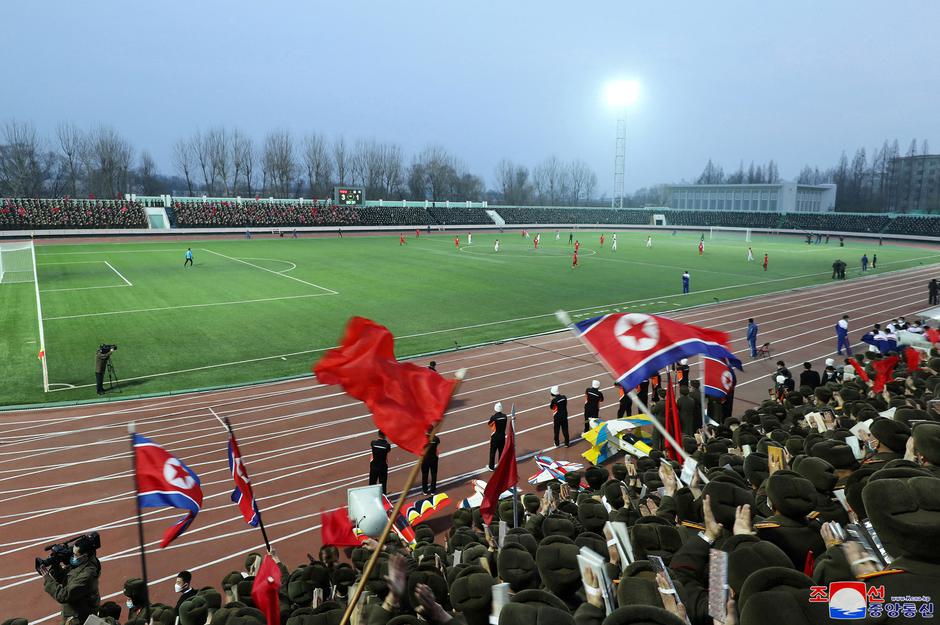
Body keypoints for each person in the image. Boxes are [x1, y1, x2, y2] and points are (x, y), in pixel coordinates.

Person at [41, 534, 101, 625]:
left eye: (75, 555)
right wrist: (55, 564)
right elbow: (65, 578)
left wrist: (48, 579)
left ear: (85, 556)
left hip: (79, 618)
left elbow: (64, 595)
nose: (72, 556)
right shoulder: (85, 562)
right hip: (78, 612)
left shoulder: (87, 575)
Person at [488, 403, 508, 470]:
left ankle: (491, 467)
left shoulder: (493, 417)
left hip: (495, 437)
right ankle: (501, 465)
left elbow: (489, 424)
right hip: (502, 437)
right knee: (501, 452)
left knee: (492, 452)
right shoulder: (505, 416)